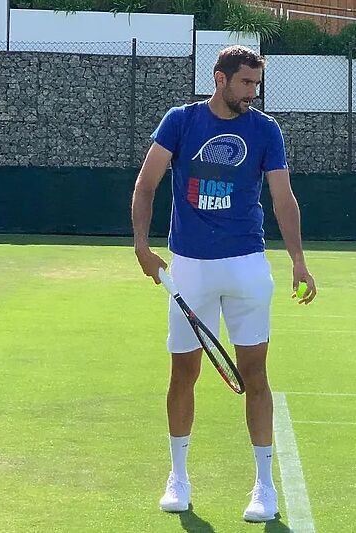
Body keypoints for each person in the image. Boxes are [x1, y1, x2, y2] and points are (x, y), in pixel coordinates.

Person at [131, 45, 317, 523]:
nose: (252, 93)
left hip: (247, 266)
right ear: (220, 78)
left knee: (256, 376)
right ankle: (178, 477)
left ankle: (264, 486)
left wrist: (298, 261)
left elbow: (283, 198)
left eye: (257, 84)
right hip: (189, 267)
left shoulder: (265, 130)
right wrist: (142, 246)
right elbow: (147, 183)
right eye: (245, 83)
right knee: (182, 374)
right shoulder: (181, 121)